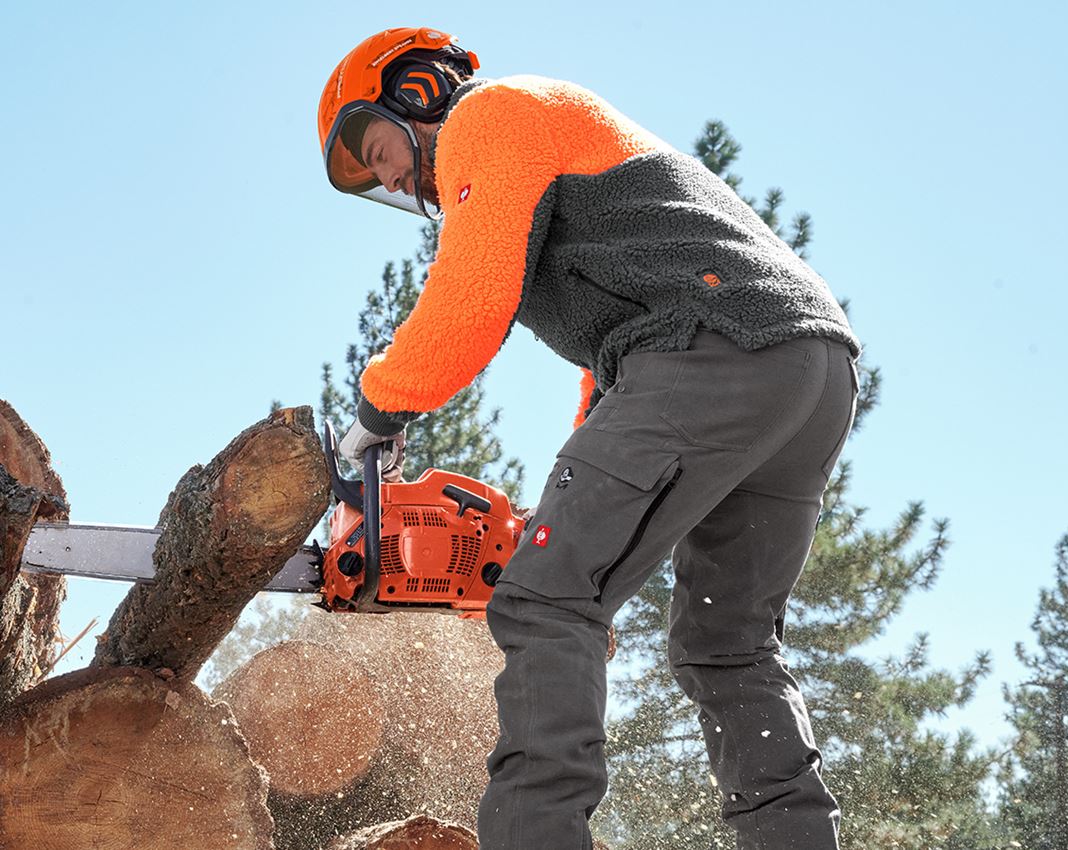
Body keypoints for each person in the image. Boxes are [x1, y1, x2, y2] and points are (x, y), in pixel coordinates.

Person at [319, 26, 861, 850]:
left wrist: (375, 414)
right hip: (802, 366)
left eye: (380, 147)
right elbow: (617, 365)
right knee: (727, 641)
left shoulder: (489, 115)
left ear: (415, 90)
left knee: (542, 598)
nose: (392, 175)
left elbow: (470, 298)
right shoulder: (553, 133)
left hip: (713, 346)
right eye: (377, 179)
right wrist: (564, 521)